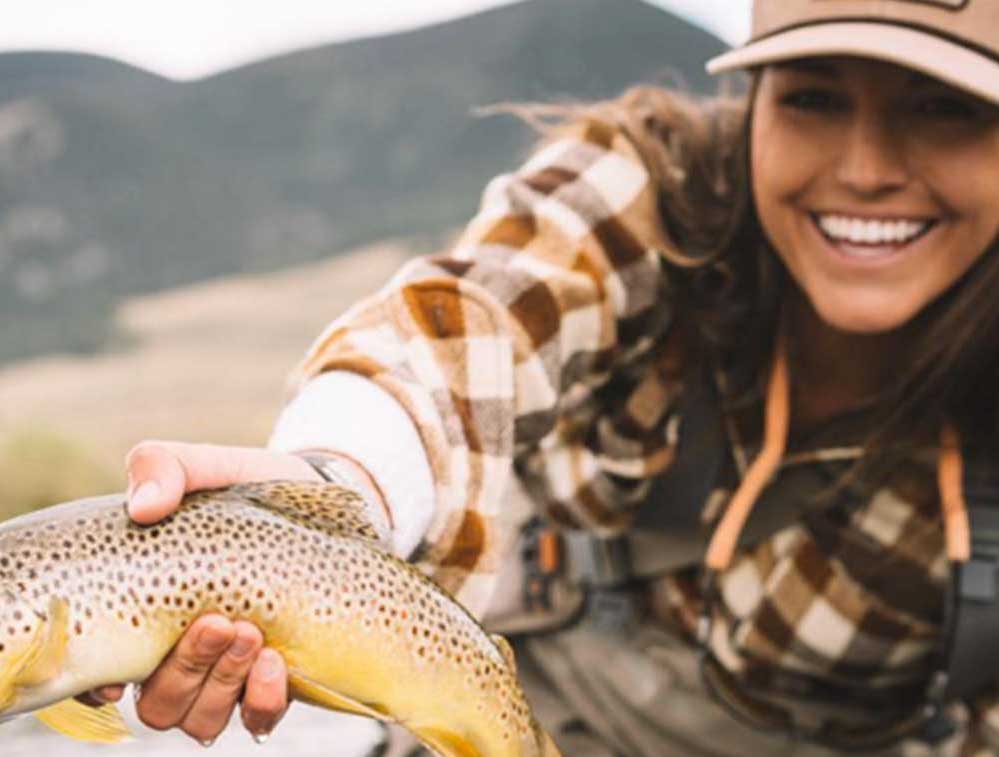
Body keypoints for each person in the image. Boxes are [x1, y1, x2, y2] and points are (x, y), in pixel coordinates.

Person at [79, 0, 999, 754]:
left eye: (944, 107)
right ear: (751, 102)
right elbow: (470, 321)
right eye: (813, 100)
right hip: (518, 704)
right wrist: (338, 484)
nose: (867, 170)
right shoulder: (660, 186)